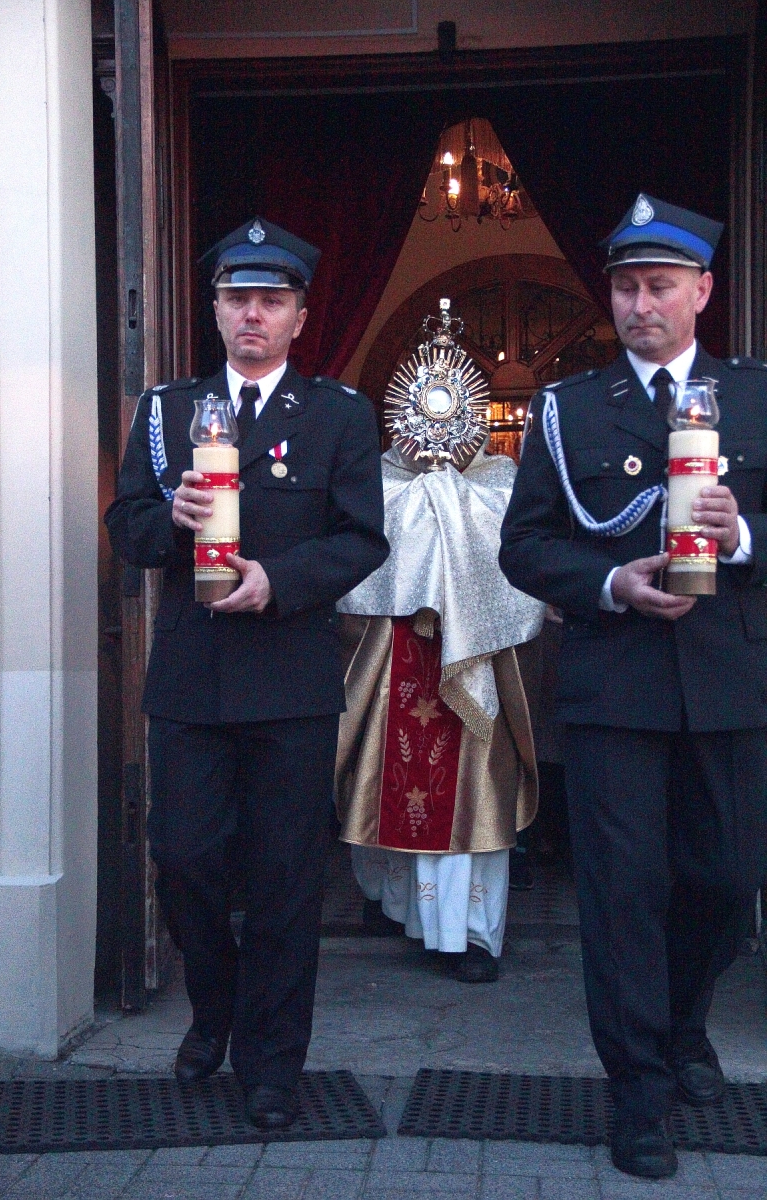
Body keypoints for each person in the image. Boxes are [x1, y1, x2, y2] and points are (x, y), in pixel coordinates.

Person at [499, 194, 767, 1180]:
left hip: (728, 681)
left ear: (702, 291)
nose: (638, 304)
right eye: (624, 287)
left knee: (724, 880)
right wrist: (610, 581)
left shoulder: (755, 397)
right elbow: (524, 545)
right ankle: (638, 1093)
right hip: (614, 685)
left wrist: (740, 535)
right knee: (622, 897)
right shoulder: (569, 409)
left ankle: (683, 1022)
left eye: (658, 286)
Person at [105, 217, 389, 1130]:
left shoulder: (338, 415)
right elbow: (126, 527)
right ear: (216, 309)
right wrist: (172, 520)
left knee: (284, 882)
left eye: (271, 301)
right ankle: (215, 1006)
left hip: (289, 680)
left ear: (300, 316)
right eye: (237, 299)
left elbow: (362, 540)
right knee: (183, 859)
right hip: (191, 681)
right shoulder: (168, 413)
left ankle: (272, 1064)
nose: (252, 315)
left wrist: (279, 581)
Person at [335, 302, 543, 983]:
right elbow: (352, 570)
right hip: (395, 658)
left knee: (472, 802)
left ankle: (471, 934)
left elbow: (520, 576)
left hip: (475, 663)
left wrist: (455, 523)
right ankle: (397, 906)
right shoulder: (377, 487)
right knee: (391, 786)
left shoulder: (499, 488)